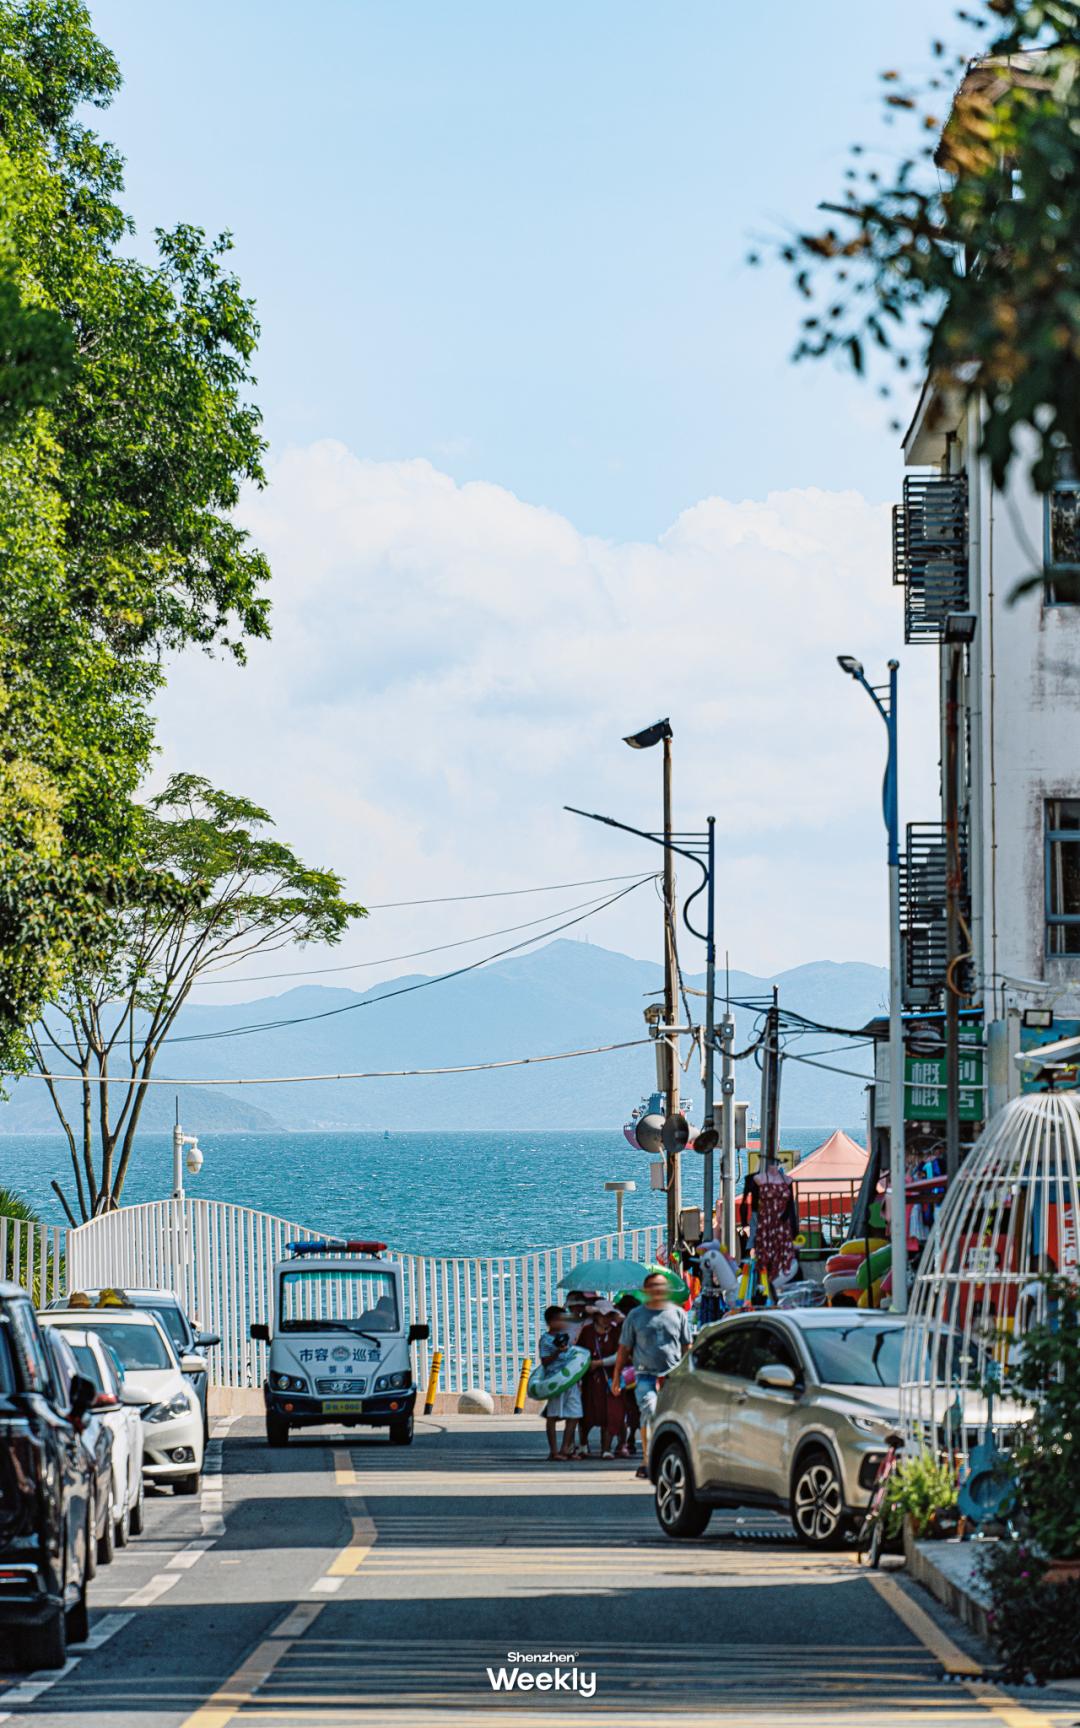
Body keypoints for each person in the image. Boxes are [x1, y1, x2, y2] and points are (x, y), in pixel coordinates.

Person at [610, 1271, 692, 1478]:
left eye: (661, 1286)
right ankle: (648, 1459)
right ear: (646, 1291)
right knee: (650, 1413)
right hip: (645, 1375)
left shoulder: (678, 1314)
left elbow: (687, 1346)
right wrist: (617, 1375)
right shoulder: (635, 1316)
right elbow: (624, 1349)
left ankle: (669, 1456)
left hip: (673, 1376)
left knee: (672, 1418)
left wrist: (689, 1373)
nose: (658, 1290)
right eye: (653, 1286)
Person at [577, 1302, 624, 1458]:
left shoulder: (616, 1332)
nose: (605, 1319)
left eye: (608, 1316)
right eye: (602, 1315)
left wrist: (599, 1363)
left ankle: (606, 1449)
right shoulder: (587, 1332)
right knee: (586, 1413)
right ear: (595, 1316)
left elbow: (621, 1354)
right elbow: (579, 1352)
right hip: (590, 1380)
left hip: (610, 1378)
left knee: (609, 1414)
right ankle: (583, 1445)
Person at [537, 1303, 583, 1460]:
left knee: (575, 1414)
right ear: (550, 1322)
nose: (563, 1322)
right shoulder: (546, 1340)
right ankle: (554, 1451)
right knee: (553, 1415)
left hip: (570, 1381)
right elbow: (545, 1362)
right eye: (559, 1319)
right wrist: (557, 1351)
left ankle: (565, 1448)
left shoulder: (566, 1337)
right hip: (555, 1381)